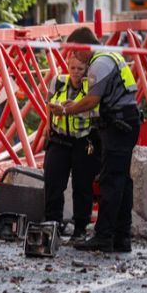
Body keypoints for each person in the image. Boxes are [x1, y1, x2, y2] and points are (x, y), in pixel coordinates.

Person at [51, 26, 140, 252]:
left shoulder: (99, 64)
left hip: (118, 125)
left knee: (111, 180)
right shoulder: (111, 55)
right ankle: (121, 236)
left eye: (75, 51)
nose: (74, 56)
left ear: (83, 47)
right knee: (122, 180)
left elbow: (92, 100)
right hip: (125, 121)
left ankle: (104, 236)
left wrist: (67, 110)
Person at [43, 54, 101, 240]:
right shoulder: (58, 82)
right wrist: (47, 124)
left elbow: (96, 110)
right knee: (53, 182)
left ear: (86, 70)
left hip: (83, 141)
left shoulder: (91, 87)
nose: (76, 73)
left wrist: (72, 108)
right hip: (59, 140)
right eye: (73, 68)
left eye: (80, 69)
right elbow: (49, 103)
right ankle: (53, 224)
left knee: (82, 186)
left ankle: (80, 228)